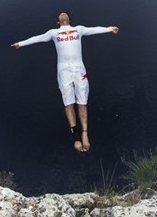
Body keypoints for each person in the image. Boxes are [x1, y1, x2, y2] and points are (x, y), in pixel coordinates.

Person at [11, 12, 119, 152]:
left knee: (82, 102)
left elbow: (94, 29)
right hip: (64, 72)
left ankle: (84, 133)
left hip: (79, 69)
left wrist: (109, 29)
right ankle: (75, 136)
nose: (62, 14)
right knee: (68, 103)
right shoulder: (53, 33)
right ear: (58, 22)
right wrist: (20, 44)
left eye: (65, 14)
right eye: (61, 15)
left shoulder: (78, 29)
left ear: (68, 20)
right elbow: (37, 38)